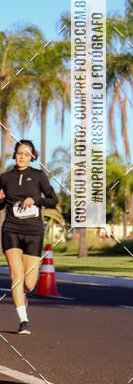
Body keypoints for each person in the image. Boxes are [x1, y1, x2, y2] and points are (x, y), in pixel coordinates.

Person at [0, 140, 58, 334]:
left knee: (29, 283)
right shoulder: (5, 178)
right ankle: (23, 321)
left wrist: (36, 199)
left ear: (32, 156)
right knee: (16, 275)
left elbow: (53, 200)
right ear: (14, 154)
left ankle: (22, 297)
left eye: (26, 154)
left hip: (34, 232)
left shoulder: (39, 176)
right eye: (19, 153)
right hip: (11, 229)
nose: (22, 157)